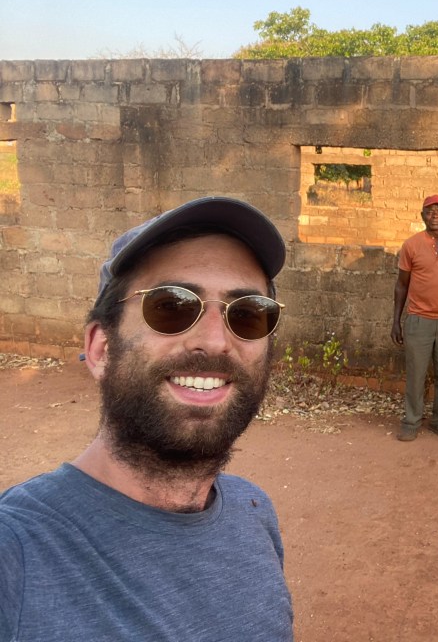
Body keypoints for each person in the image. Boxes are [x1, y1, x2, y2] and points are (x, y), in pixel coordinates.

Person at [0, 197, 294, 641]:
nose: (215, 341)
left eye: (248, 314)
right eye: (172, 306)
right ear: (101, 349)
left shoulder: (254, 514)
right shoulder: (17, 553)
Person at [390, 195, 438, 441]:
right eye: (429, 212)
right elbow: (401, 285)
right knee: (416, 374)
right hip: (418, 319)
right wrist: (396, 320)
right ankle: (411, 421)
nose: (434, 216)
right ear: (422, 216)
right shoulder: (411, 245)